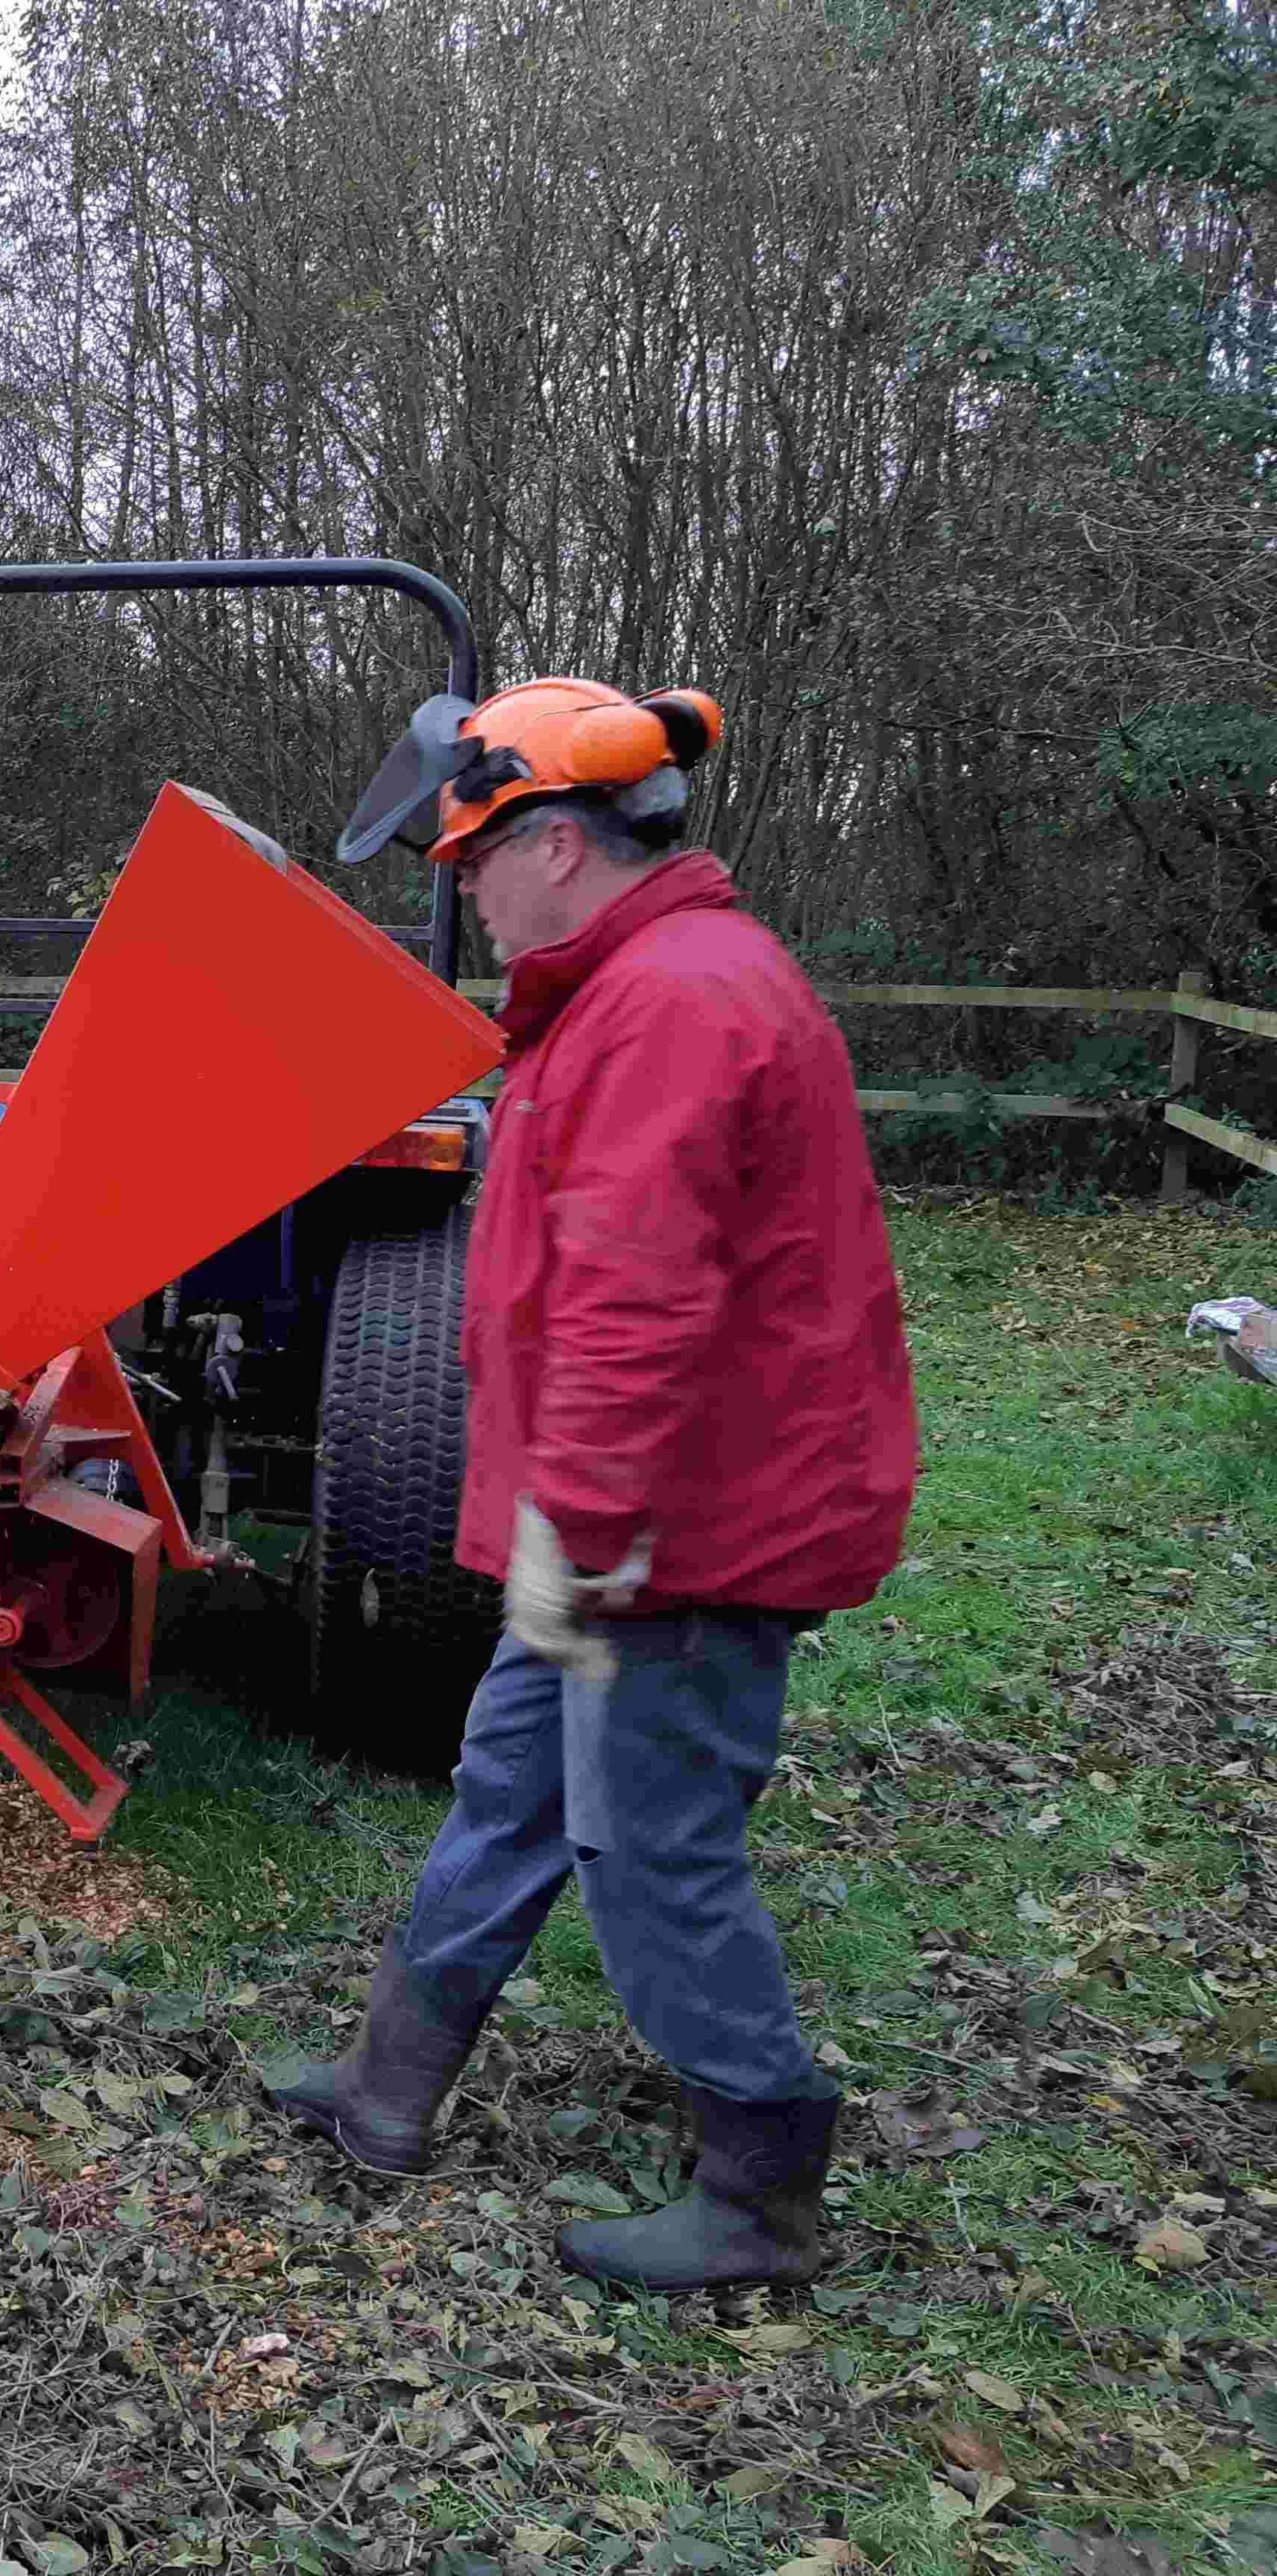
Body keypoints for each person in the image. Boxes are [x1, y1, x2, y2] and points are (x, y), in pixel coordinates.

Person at [262, 681, 919, 2291]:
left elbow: (635, 1299)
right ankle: (385, 2090)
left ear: (556, 847)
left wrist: (587, 1526)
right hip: (630, 1518)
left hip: (682, 1536)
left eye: (472, 861)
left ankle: (760, 2190)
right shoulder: (632, 988)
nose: (464, 890)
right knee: (509, 1798)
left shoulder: (676, 1006)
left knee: (654, 1848)